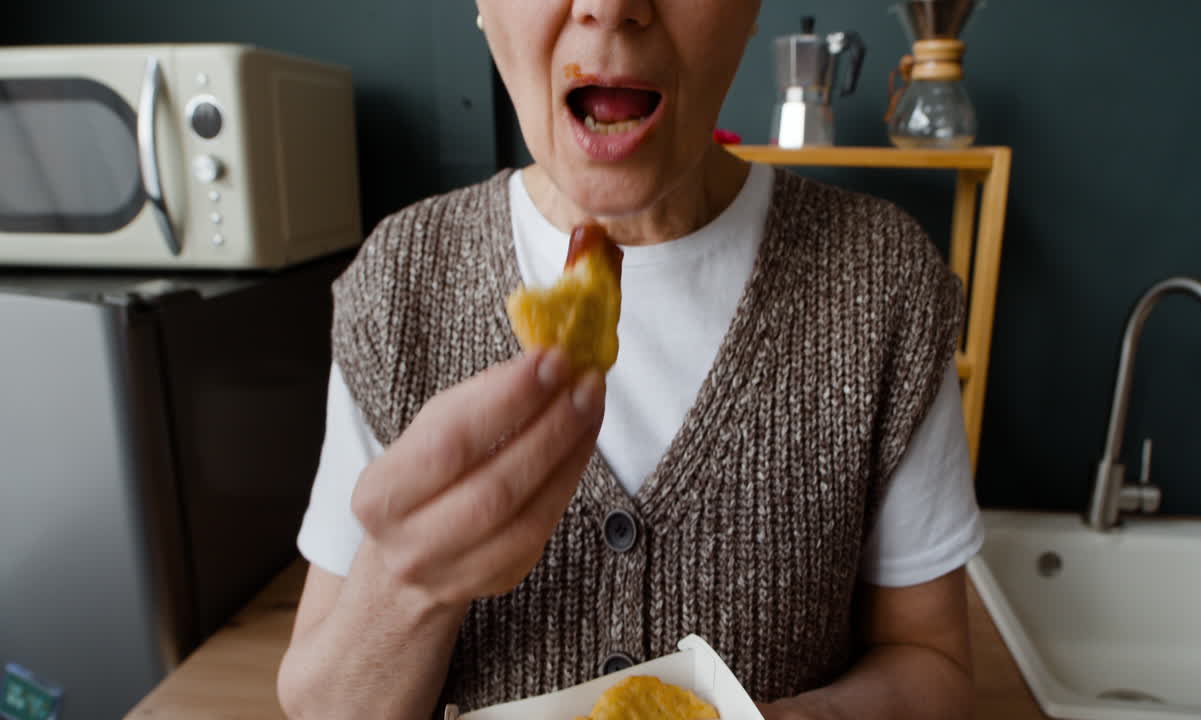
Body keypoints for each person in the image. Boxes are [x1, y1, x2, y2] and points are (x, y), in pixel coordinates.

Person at [276, 1, 983, 718]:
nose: (610, 4)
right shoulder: (400, 284)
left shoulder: (884, 284)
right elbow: (322, 706)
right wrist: (406, 588)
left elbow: (933, 664)